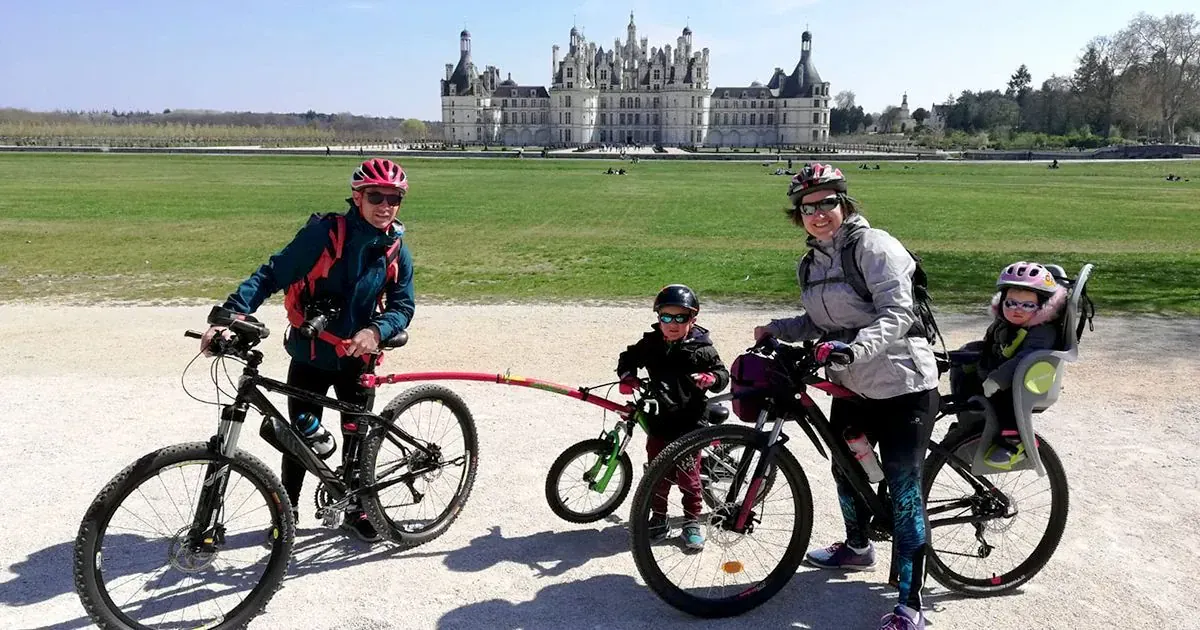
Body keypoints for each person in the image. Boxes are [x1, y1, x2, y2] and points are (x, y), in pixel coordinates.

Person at [752, 163, 938, 630]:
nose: (818, 213)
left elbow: (898, 313)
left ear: (844, 203)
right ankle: (858, 549)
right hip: (851, 383)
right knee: (846, 466)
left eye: (827, 202)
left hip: (902, 385)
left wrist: (855, 348)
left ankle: (910, 604)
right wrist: (780, 328)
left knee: (903, 487)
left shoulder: (875, 247)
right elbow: (821, 321)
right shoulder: (812, 260)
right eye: (808, 207)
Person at [200, 158, 415, 542]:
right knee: (298, 439)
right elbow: (271, 273)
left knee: (356, 436)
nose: (386, 205)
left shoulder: (397, 249)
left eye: (394, 198)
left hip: (359, 360)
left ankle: (356, 508)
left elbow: (403, 306)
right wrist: (229, 315)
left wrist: (375, 330)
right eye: (376, 196)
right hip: (311, 355)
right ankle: (288, 511)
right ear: (357, 196)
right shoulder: (324, 235)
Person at [617, 284, 729, 551]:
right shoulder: (651, 343)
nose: (673, 324)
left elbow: (722, 374)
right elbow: (628, 357)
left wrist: (711, 378)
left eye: (681, 317)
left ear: (693, 318)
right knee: (657, 474)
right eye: (666, 317)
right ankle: (659, 517)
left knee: (688, 477)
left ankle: (692, 521)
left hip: (689, 422)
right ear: (658, 318)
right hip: (659, 420)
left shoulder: (702, 349)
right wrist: (627, 376)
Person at [949, 262, 1066, 469]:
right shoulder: (1005, 324)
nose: (1017, 310)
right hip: (993, 372)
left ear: (1042, 306)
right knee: (961, 376)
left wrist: (997, 379)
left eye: (1027, 305)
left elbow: (1025, 359)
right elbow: (989, 346)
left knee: (1003, 400)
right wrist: (962, 355)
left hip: (1018, 382)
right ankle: (970, 427)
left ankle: (1013, 443)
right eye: (1011, 303)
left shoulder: (1042, 332)